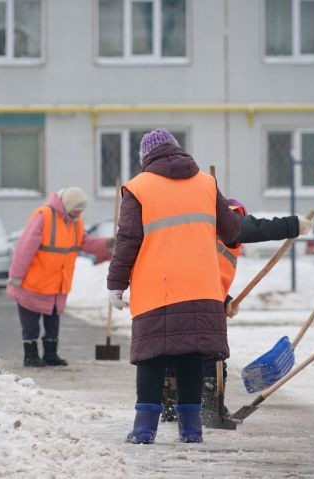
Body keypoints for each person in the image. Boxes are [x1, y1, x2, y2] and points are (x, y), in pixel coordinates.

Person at [107, 128, 240, 444]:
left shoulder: (138, 188)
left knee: (151, 356)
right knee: (191, 356)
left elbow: (127, 241)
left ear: (145, 158)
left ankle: (143, 430)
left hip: (157, 288)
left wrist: (116, 283)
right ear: (178, 151)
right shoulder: (207, 183)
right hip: (202, 288)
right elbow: (233, 231)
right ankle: (191, 430)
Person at [161, 200, 314, 426]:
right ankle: (211, 409)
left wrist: (225, 299)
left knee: (178, 349)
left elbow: (208, 268)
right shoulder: (227, 220)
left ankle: (173, 407)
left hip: (183, 294)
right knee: (212, 352)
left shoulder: (207, 229)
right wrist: (292, 225)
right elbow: (256, 228)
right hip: (198, 297)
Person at [7, 187, 113, 367]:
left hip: (57, 283)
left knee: (52, 321)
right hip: (33, 282)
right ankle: (30, 355)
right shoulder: (43, 216)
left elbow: (84, 242)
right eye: (75, 210)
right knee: (31, 322)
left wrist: (109, 244)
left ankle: (51, 354)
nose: (78, 214)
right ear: (67, 206)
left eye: (80, 211)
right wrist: (16, 276)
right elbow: (24, 248)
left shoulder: (75, 221)